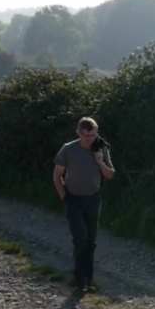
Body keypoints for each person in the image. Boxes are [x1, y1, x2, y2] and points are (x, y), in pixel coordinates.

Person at [53, 116, 115, 291]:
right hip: (73, 199)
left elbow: (109, 175)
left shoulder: (100, 148)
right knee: (80, 238)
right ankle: (80, 280)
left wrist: (100, 161)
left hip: (93, 199)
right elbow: (57, 175)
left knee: (90, 241)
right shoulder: (68, 150)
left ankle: (88, 279)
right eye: (86, 135)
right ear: (78, 133)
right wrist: (64, 197)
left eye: (93, 135)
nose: (90, 139)